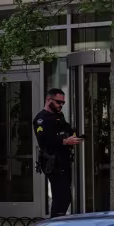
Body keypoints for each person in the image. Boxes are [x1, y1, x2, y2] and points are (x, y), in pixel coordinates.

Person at [35, 87, 82, 216]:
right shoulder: (41, 119)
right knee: (60, 197)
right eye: (58, 102)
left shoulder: (58, 116)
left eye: (63, 103)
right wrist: (66, 141)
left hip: (63, 160)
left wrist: (75, 135)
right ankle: (54, 225)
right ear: (48, 100)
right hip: (53, 162)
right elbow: (44, 140)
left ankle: (58, 222)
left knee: (65, 197)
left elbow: (66, 129)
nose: (61, 105)